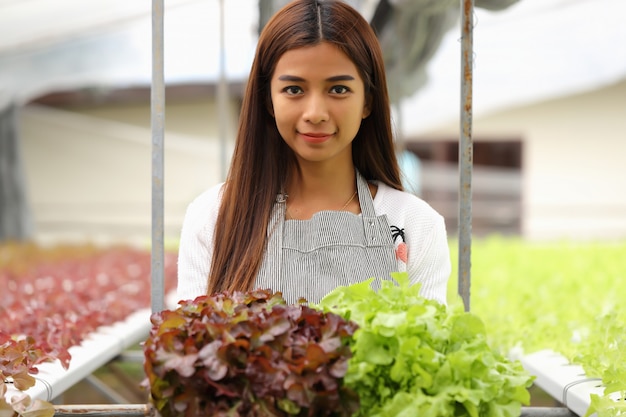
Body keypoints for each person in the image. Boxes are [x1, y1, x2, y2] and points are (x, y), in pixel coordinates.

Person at [177, 0, 451, 305]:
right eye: (294, 89)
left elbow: (424, 344)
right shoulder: (213, 218)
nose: (316, 113)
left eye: (338, 89)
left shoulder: (415, 224)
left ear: (368, 102)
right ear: (268, 100)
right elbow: (194, 342)